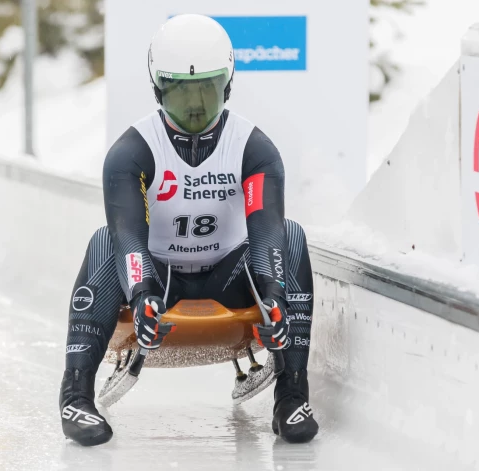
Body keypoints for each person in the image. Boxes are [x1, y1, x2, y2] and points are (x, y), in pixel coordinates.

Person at [59, 13, 318, 446]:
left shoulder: (254, 149)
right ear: (159, 88)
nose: (196, 107)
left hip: (232, 277)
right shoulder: (131, 152)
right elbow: (127, 235)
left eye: (207, 90)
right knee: (103, 241)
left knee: (292, 236)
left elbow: (267, 231)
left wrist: (273, 296)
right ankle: (75, 394)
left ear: (227, 85)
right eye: (181, 93)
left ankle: (291, 394)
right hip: (159, 281)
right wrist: (141, 296)